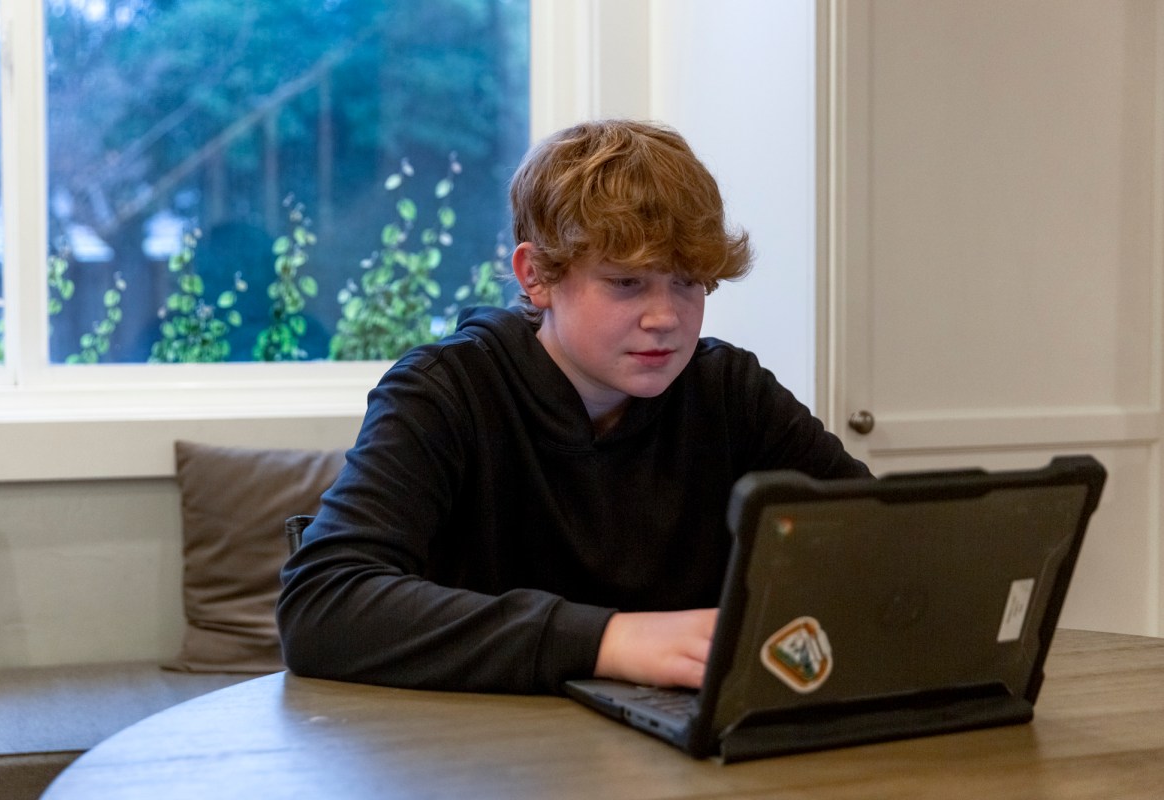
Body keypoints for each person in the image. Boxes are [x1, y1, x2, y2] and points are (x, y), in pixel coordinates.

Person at [277, 119, 870, 695]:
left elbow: (882, 543)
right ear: (535, 275)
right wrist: (607, 640)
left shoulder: (729, 389)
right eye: (627, 282)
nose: (666, 317)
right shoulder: (442, 392)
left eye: (687, 283)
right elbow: (322, 605)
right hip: (477, 759)